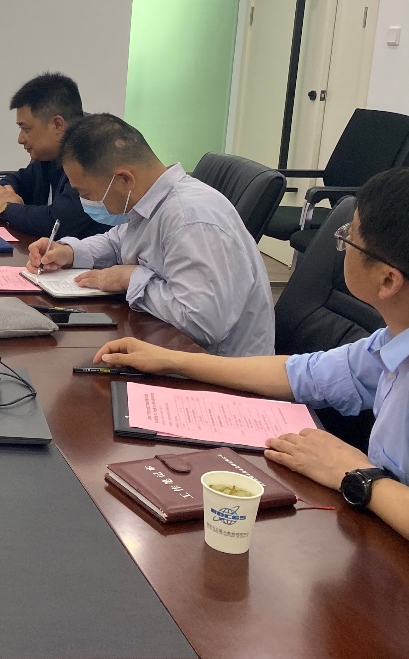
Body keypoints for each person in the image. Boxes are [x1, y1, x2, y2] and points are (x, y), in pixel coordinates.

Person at [94, 168, 409, 540]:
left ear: (387, 280)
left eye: (348, 239)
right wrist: (174, 360)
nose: (342, 245)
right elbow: (301, 374)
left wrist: (358, 475)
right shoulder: (390, 342)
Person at [26, 113, 274, 357]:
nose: (85, 202)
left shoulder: (190, 218)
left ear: (124, 179)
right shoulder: (151, 201)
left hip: (218, 371)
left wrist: (131, 279)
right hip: (172, 349)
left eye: (87, 194)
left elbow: (201, 323)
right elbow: (117, 243)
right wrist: (68, 252)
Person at [0, 73, 108, 239]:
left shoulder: (93, 151)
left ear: (57, 124)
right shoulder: (50, 151)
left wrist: (6, 208)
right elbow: (21, 179)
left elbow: (58, 223)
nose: (20, 139)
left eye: (26, 129)